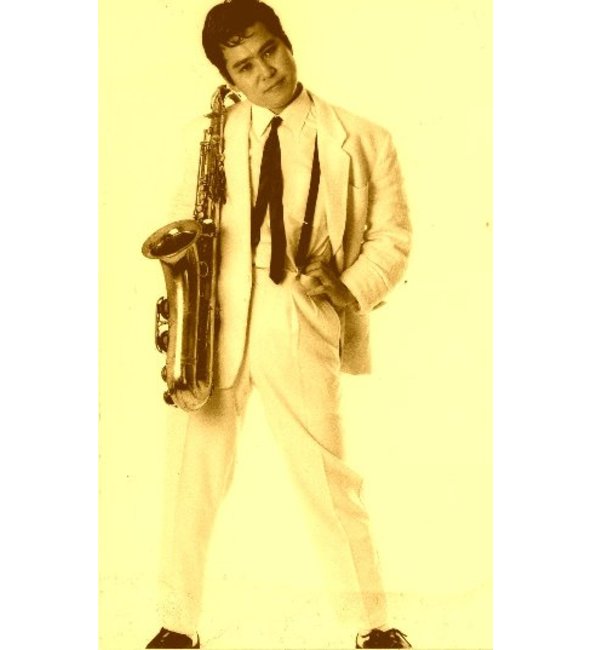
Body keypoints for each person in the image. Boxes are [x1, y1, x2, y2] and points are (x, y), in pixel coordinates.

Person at [146, 1, 412, 647]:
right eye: (243, 65)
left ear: (287, 44)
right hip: (212, 321)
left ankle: (373, 626)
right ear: (228, 78)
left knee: (328, 480)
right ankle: (177, 626)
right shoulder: (206, 135)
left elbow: (393, 238)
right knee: (191, 480)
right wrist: (183, 302)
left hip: (300, 316)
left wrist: (346, 287)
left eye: (268, 51)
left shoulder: (365, 137)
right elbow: (185, 218)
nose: (263, 71)